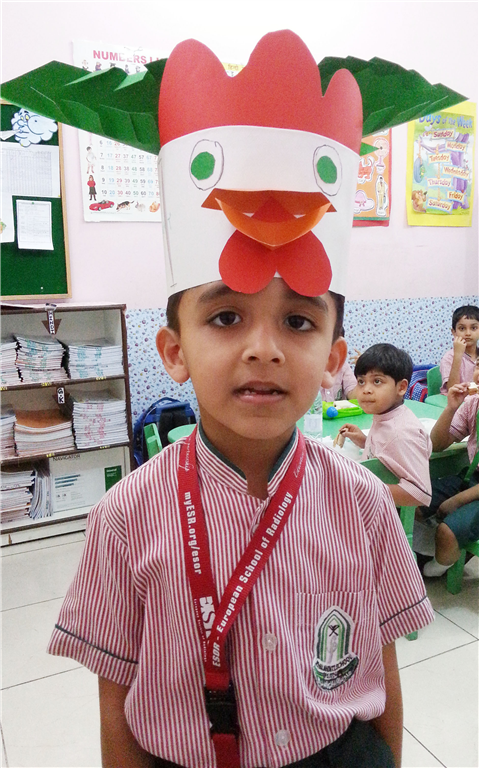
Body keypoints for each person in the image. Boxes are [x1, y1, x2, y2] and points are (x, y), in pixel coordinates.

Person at [32, 31, 438, 768]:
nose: (263, 348)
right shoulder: (125, 515)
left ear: (333, 361)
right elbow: (114, 699)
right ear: (174, 352)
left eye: (299, 322)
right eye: (224, 317)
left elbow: (382, 677)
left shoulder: (365, 504)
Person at [338, 343, 432, 508]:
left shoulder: (400, 433)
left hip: (385, 510)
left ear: (401, 387)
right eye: (361, 381)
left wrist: (363, 489)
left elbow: (420, 493)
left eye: (377, 381)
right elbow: (387, 450)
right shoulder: (386, 416)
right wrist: (364, 440)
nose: (366, 389)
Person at [419, 362, 479, 577]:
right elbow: (437, 444)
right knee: (415, 500)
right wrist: (451, 408)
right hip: (472, 476)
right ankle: (431, 551)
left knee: (447, 532)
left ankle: (435, 569)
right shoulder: (473, 403)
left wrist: (456, 500)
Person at [439, 304, 479, 393]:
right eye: (462, 328)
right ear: (454, 332)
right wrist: (458, 355)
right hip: (455, 400)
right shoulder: (449, 357)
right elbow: (452, 390)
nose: (468, 333)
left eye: (473, 328)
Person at [320, 327, 357, 402]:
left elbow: (353, 396)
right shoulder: (308, 366)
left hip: (338, 409)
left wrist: (363, 371)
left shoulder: (343, 366)